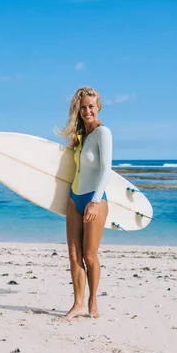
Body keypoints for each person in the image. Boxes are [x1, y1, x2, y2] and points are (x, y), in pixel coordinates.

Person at [56, 86, 112, 320]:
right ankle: (77, 303)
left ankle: (93, 304)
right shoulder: (81, 137)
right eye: (83, 108)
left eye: (91, 106)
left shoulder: (103, 133)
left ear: (98, 106)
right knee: (73, 254)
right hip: (74, 197)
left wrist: (95, 201)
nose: (87, 111)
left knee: (90, 256)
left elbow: (106, 169)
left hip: (93, 200)